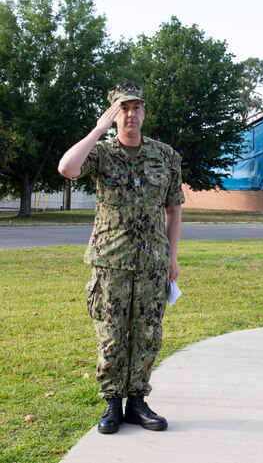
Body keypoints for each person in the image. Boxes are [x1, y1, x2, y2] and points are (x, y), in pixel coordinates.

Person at [58, 81, 185, 434]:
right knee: (112, 334)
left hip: (152, 263)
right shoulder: (101, 152)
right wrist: (98, 129)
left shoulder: (166, 156)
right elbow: (67, 169)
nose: (131, 114)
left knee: (147, 334)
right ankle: (112, 403)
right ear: (115, 115)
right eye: (123, 108)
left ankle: (137, 402)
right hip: (110, 261)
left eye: (136, 107)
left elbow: (174, 208)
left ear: (144, 112)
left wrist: (173, 256)